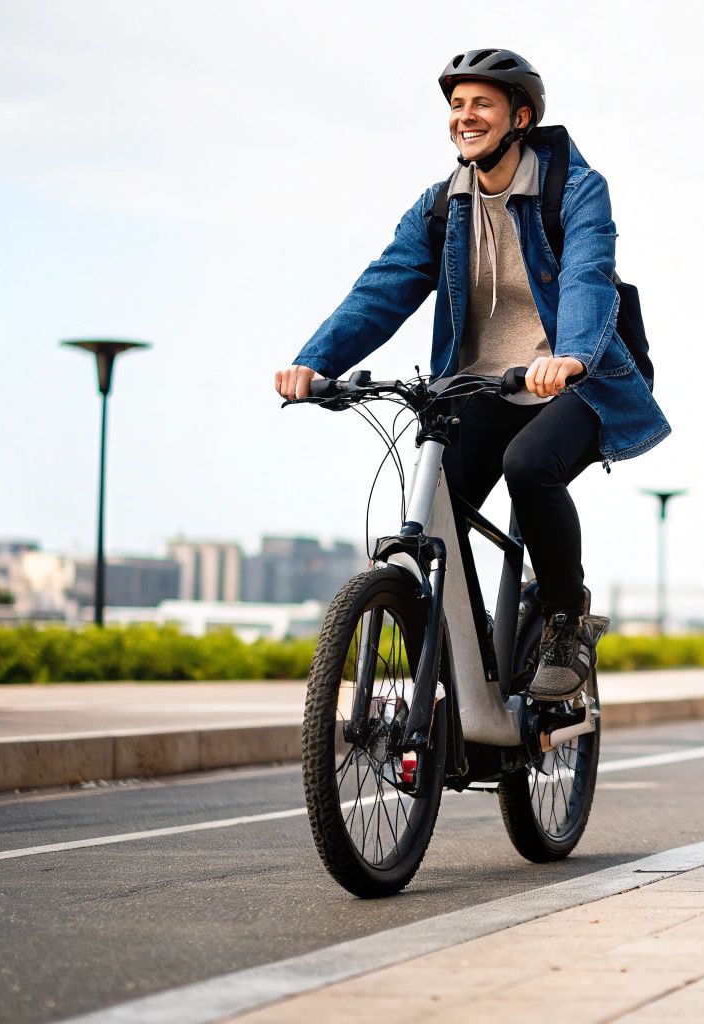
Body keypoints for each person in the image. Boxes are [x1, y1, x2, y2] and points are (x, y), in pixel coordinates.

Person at [274, 48, 669, 701]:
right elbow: (383, 290)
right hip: (479, 387)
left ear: (519, 116)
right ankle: (477, 646)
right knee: (433, 510)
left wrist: (567, 356)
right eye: (456, 106)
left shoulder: (574, 189)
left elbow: (586, 278)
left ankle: (566, 625)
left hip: (577, 381)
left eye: (480, 103)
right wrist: (316, 361)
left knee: (529, 465)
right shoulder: (441, 208)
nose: (465, 117)